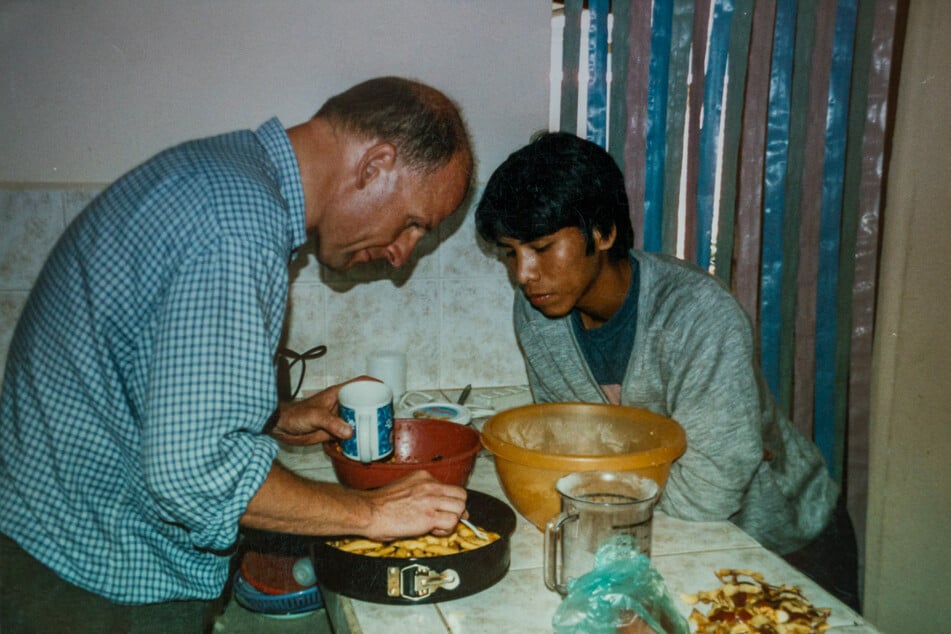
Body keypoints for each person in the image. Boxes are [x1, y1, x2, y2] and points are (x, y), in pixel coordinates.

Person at [0, 76, 474, 631]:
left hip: (51, 540)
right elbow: (194, 477)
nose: (401, 254)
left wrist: (275, 418)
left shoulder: (221, 176)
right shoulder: (238, 228)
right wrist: (372, 513)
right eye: (414, 223)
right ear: (375, 165)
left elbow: (143, 378)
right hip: (95, 577)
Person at [475, 131, 859, 610]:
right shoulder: (537, 315)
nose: (523, 274)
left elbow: (709, 492)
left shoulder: (697, 315)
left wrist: (603, 492)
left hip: (785, 545)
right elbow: (568, 453)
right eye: (511, 253)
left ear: (604, 232)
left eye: (542, 247)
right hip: (668, 545)